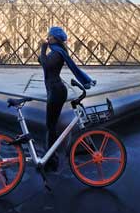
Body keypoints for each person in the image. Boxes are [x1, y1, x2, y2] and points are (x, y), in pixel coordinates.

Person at [38, 26, 96, 172]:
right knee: (50, 125)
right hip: (55, 90)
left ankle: (51, 159)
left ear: (55, 38)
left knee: (50, 126)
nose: (47, 38)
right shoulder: (57, 52)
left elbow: (46, 63)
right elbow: (45, 64)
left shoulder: (57, 53)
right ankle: (51, 157)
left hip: (56, 91)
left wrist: (42, 50)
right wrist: (43, 53)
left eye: (49, 36)